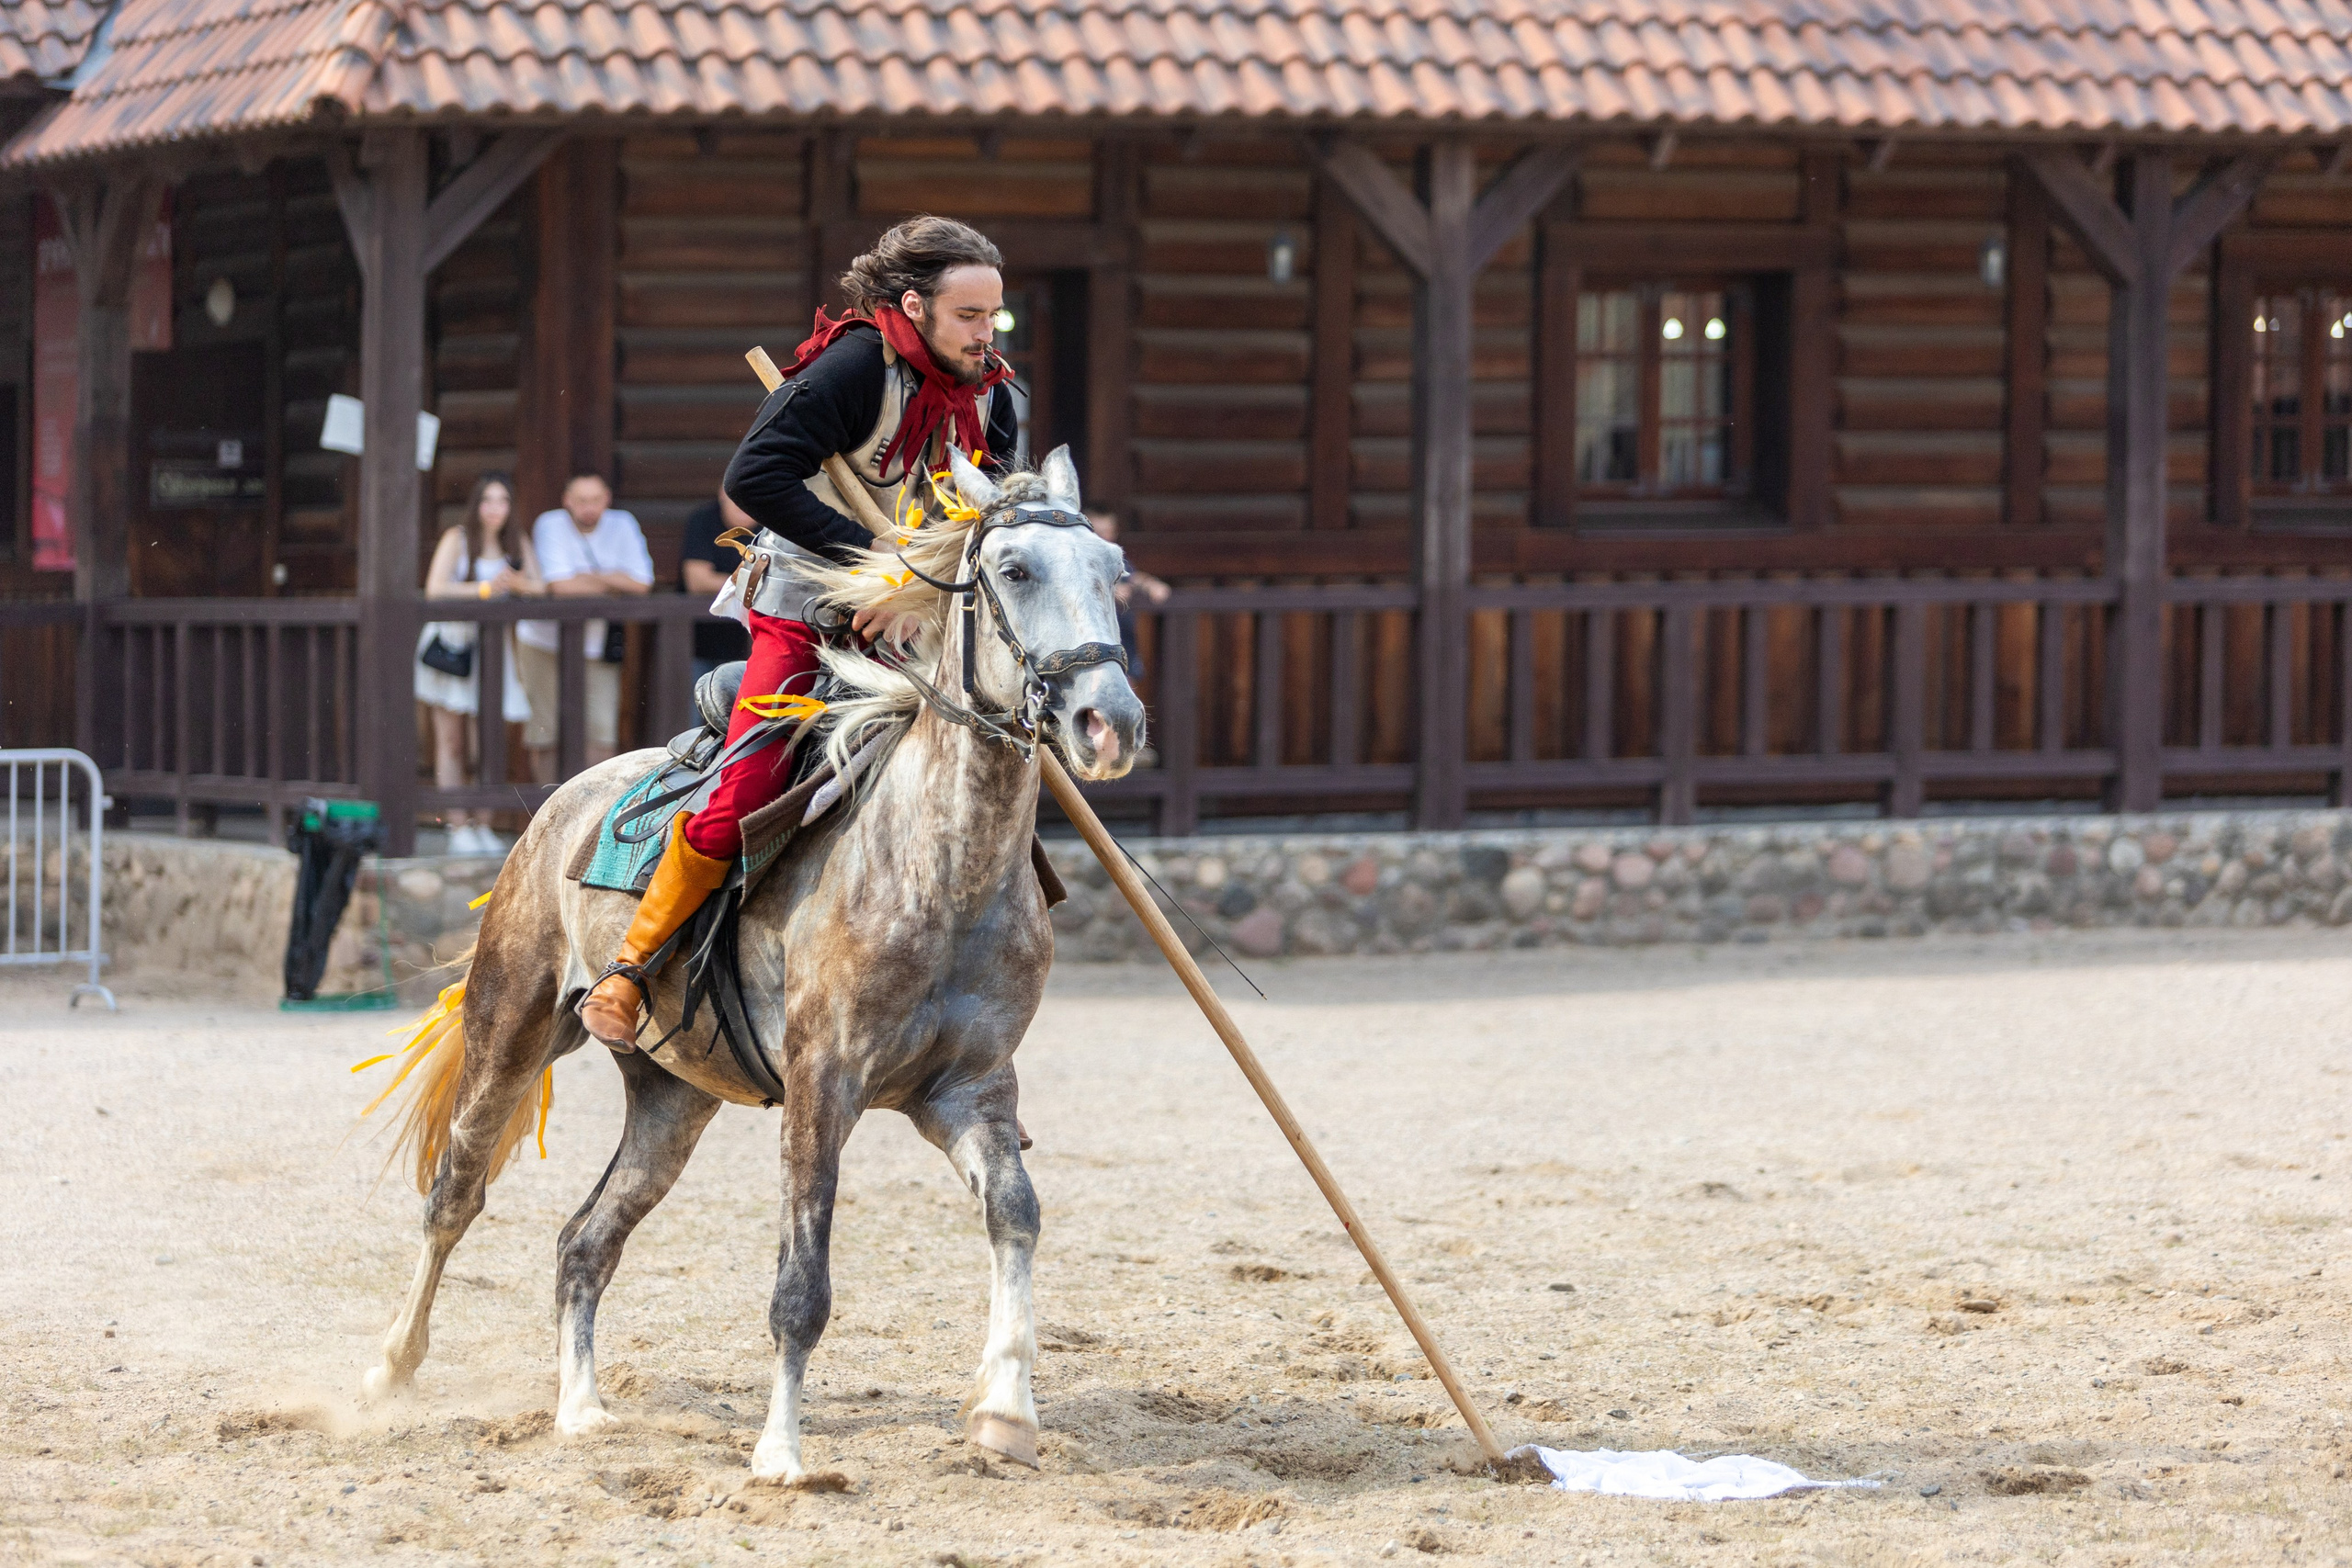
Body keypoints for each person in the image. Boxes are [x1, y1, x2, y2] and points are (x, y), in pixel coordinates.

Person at [579, 214, 1020, 1046]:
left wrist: (916, 589)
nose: (985, 333)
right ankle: (631, 969)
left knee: (986, 769)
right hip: (809, 607)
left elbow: (983, 516)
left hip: (920, 614)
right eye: (969, 315)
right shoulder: (855, 365)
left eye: (994, 315)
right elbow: (754, 477)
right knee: (746, 787)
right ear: (915, 304)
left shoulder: (992, 392)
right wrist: (872, 566)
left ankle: (965, 1036)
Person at [414, 474, 544, 855]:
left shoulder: (517, 541)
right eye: (487, 500)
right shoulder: (457, 538)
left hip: (494, 651)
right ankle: (457, 826)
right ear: (476, 505)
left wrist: (516, 584)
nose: (494, 508)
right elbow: (436, 588)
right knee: (451, 739)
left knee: (489, 739)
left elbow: (539, 585)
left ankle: (485, 823)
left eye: (502, 500)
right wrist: (487, 590)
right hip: (454, 647)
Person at [517, 473, 654, 780]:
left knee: (601, 729)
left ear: (607, 499)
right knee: (546, 728)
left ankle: (592, 813)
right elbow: (559, 585)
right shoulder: (550, 523)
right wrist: (612, 580)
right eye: (581, 501)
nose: (588, 508)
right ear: (567, 501)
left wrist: (586, 577)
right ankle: (549, 809)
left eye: (595, 500)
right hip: (543, 641)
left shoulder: (623, 524)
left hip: (596, 642)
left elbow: (642, 583)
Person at [678, 489, 755, 685]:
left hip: (751, 641)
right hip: (699, 640)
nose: (743, 504)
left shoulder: (774, 525)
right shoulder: (703, 520)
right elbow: (697, 581)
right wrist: (756, 582)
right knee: (695, 707)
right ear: (723, 494)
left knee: (742, 709)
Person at [1082, 507, 1168, 680]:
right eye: (1098, 532)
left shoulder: (1115, 558)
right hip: (1091, 643)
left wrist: (1150, 584)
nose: (1104, 537)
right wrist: (1108, 590)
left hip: (1122, 638)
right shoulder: (1079, 559)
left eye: (1108, 531)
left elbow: (1133, 576)